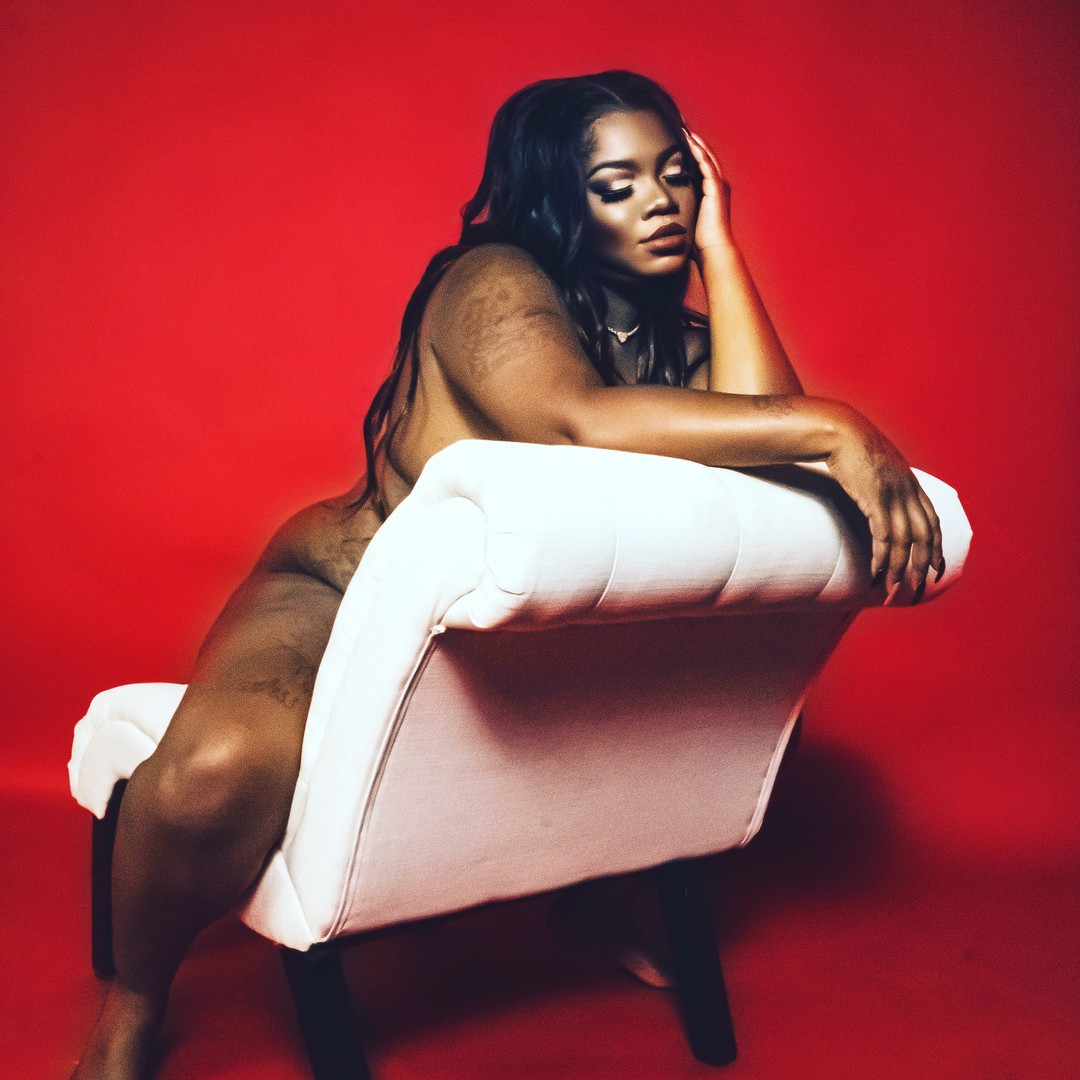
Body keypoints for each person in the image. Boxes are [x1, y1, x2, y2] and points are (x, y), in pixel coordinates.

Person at [75, 70, 943, 1079]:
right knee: (215, 772)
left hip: (511, 662)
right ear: (559, 199)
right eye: (617, 184)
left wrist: (723, 251)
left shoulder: (677, 345)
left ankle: (593, 893)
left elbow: (764, 479)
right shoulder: (489, 282)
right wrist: (837, 425)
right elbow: (571, 422)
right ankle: (134, 1003)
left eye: (677, 176)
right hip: (336, 594)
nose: (660, 202)